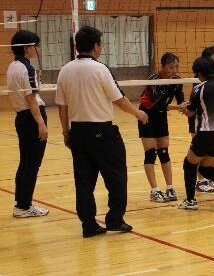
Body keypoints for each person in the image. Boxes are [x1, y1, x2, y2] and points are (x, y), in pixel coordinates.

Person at [56, 26, 148, 238]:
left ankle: (88, 225)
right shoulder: (100, 69)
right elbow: (119, 100)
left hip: (78, 132)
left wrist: (65, 132)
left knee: (84, 182)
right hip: (102, 132)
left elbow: (62, 105)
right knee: (116, 177)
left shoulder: (65, 70)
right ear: (96, 46)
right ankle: (115, 220)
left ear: (77, 46)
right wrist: (138, 114)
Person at [178, 57, 214, 210]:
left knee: (189, 163)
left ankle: (190, 201)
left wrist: (184, 108)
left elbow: (191, 112)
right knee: (204, 167)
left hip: (207, 132)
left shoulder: (199, 88)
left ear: (199, 73)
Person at [7, 30, 48, 218]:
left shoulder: (12, 66)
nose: (37, 49)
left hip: (22, 117)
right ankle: (23, 206)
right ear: (26, 47)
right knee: (32, 164)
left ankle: (22, 204)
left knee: (26, 163)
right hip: (31, 118)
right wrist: (41, 123)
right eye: (35, 46)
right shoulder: (26, 68)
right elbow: (31, 98)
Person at [138, 52, 184, 203]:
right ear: (162, 66)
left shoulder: (176, 80)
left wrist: (186, 107)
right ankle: (155, 190)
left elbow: (181, 100)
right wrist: (178, 107)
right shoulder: (153, 80)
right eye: (171, 67)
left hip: (161, 116)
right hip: (147, 115)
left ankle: (170, 187)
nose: (174, 70)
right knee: (150, 153)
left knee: (164, 152)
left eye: (176, 67)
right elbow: (158, 104)